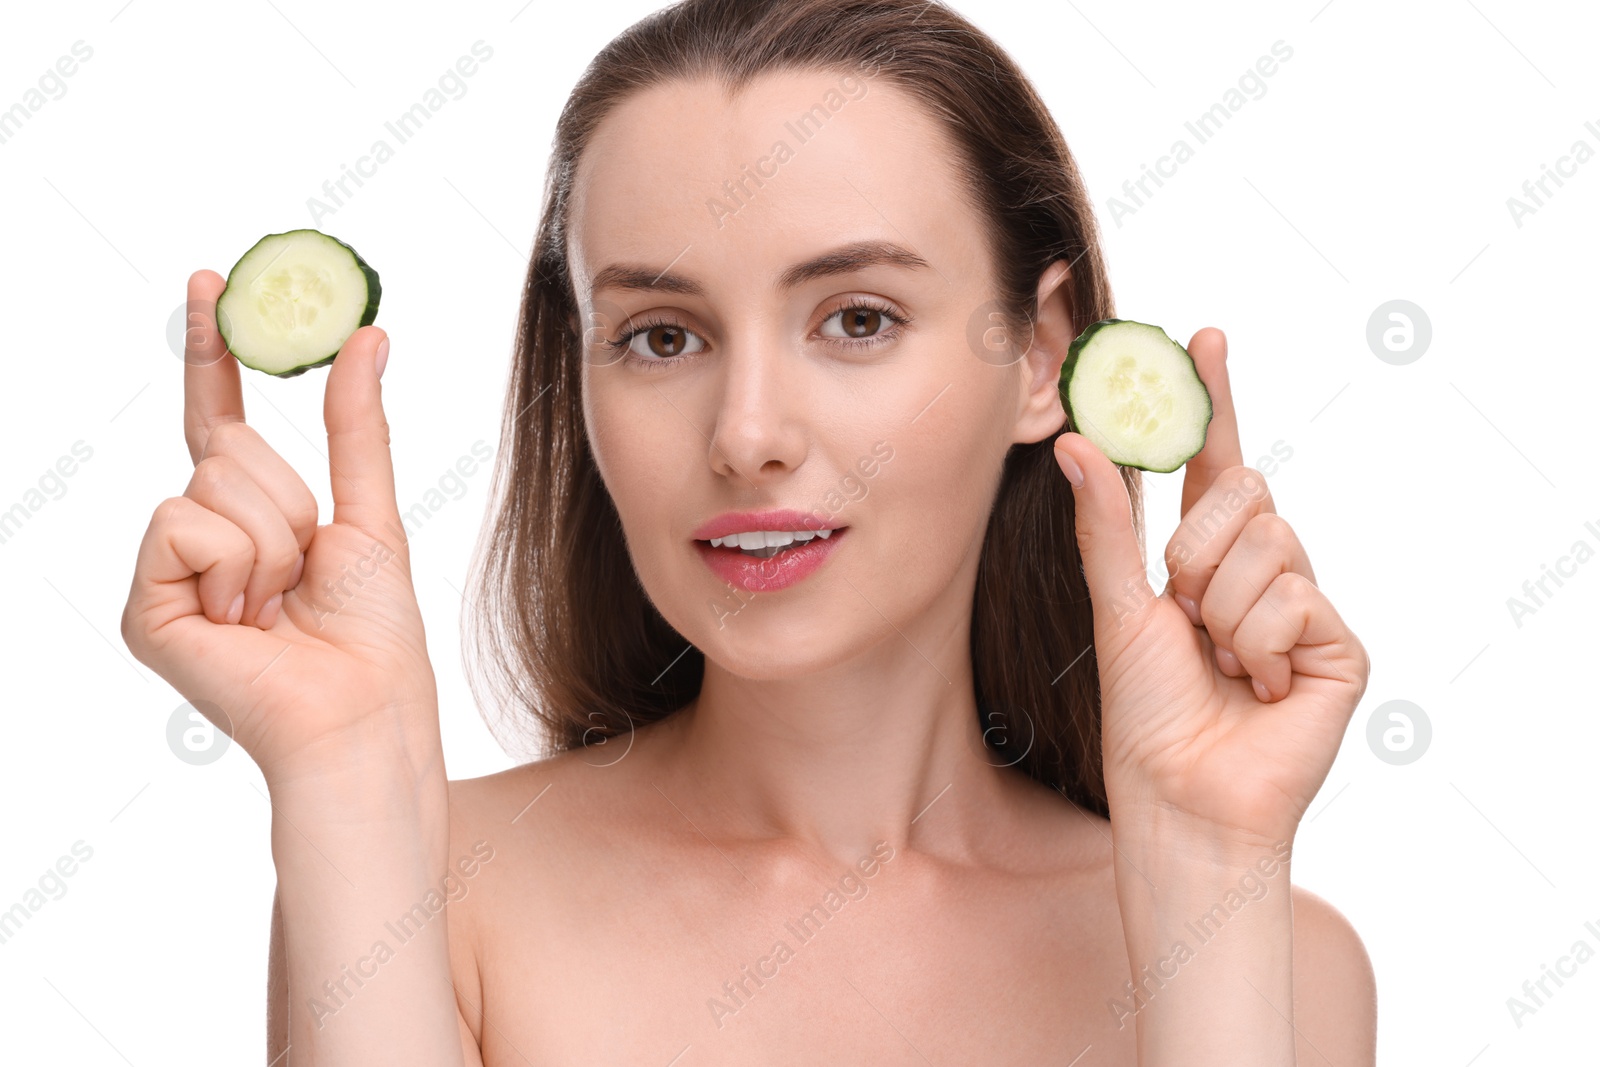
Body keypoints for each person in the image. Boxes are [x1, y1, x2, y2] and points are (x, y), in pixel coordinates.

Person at [122, 0, 1376, 1061]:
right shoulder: (433, 887)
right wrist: (344, 774)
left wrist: (1208, 870)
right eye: (662, 336)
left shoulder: (1276, 951)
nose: (748, 433)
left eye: (858, 318)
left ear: (1040, 357)